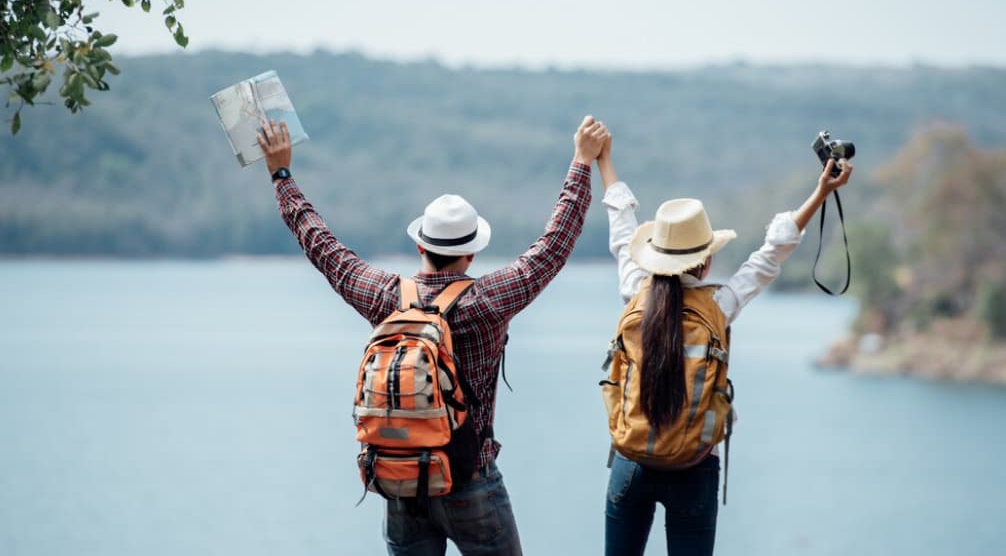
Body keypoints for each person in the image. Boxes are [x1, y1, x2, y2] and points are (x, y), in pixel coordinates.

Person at [256, 115, 610, 556]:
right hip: (471, 481)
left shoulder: (387, 299)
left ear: (421, 246)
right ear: (471, 252)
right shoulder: (486, 302)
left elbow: (324, 247)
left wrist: (281, 175)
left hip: (402, 481)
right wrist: (581, 161)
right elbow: (553, 246)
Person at [595, 135, 852, 556]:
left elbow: (622, 230)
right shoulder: (719, 305)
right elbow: (772, 254)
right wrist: (822, 192)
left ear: (655, 255)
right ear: (706, 260)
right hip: (693, 468)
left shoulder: (635, 291)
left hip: (631, 460)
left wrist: (603, 161)